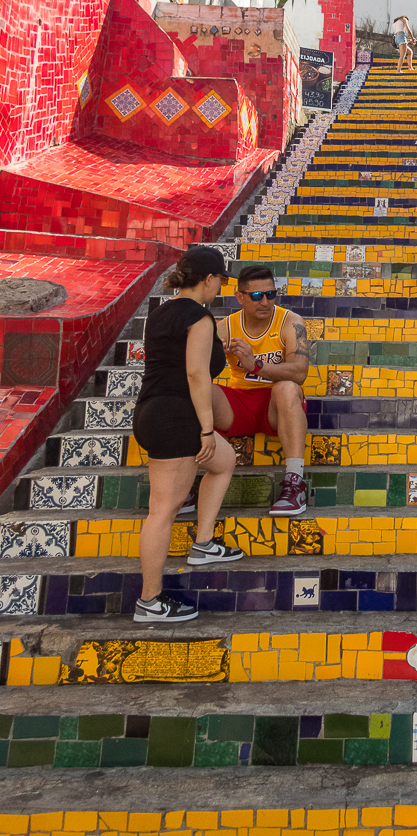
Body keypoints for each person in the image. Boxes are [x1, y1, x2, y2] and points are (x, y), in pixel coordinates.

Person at [132, 247, 243, 623]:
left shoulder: (160, 312)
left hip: (152, 411)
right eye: (221, 281)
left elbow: (180, 365)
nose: (220, 288)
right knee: (163, 511)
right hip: (176, 417)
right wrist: (208, 429)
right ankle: (150, 600)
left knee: (225, 460)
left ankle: (204, 543)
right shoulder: (200, 317)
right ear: (209, 279)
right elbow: (196, 375)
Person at [213, 264, 314, 516]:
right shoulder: (224, 327)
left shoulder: (291, 323)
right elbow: (195, 370)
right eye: (257, 296)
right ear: (240, 297)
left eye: (271, 294)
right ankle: (186, 483)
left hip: (276, 408)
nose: (265, 302)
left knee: (287, 388)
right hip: (239, 406)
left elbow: (300, 372)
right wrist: (214, 355)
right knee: (199, 391)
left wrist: (256, 364)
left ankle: (294, 483)